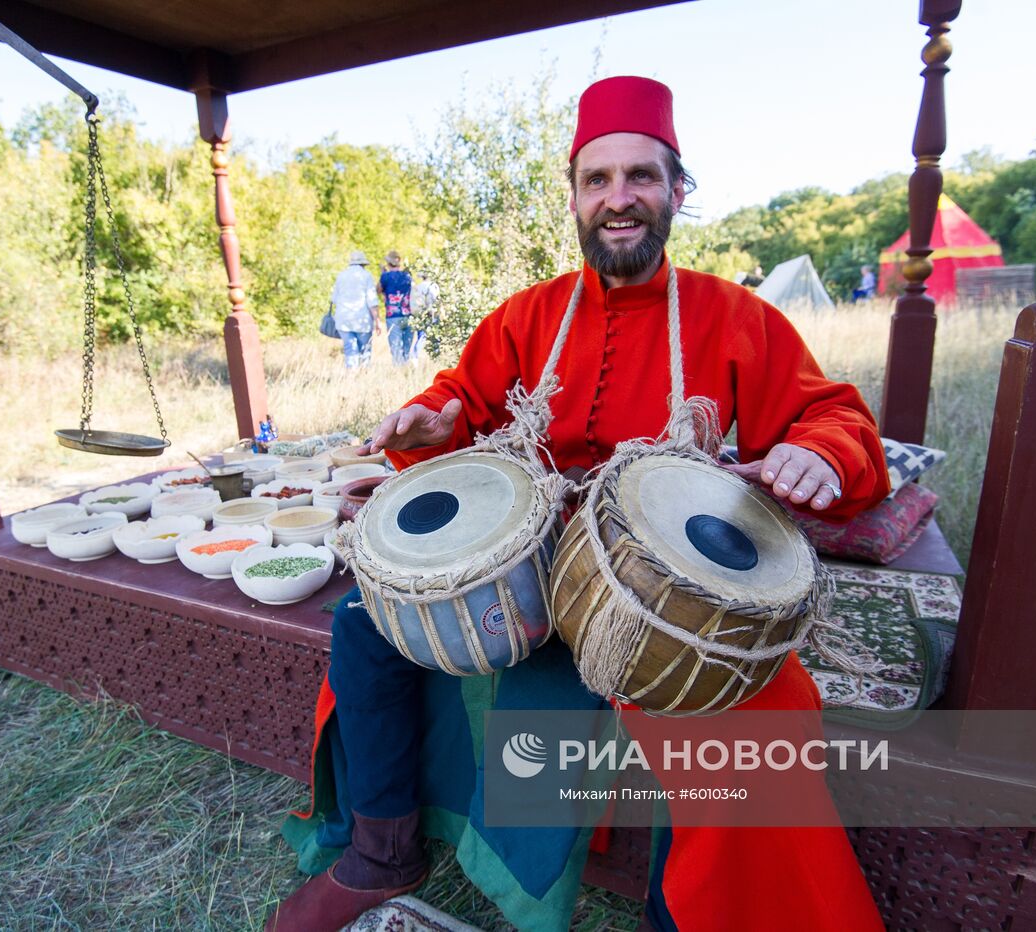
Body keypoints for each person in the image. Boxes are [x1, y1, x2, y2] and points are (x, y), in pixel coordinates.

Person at [272, 76, 889, 932]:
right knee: (364, 620)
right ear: (573, 197)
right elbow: (462, 415)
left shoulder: (734, 316)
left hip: (654, 579)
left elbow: (835, 416)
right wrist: (431, 422)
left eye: (641, 176)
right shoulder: (530, 314)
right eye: (597, 180)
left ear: (678, 191)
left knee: (760, 705)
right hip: (529, 566)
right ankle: (382, 852)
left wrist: (816, 452)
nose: (619, 198)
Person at [331, 250, 380, 369]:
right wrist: (377, 320)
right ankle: (364, 374)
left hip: (343, 319)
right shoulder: (366, 276)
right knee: (365, 350)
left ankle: (351, 375)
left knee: (350, 350)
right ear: (363, 264)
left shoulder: (341, 275)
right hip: (362, 319)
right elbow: (372, 300)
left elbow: (334, 299)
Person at [379, 250, 414, 364]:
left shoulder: (386, 277)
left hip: (393, 315)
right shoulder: (407, 275)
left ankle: (399, 371)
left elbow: (378, 290)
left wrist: (382, 273)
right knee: (406, 348)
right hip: (408, 314)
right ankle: (406, 370)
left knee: (395, 348)